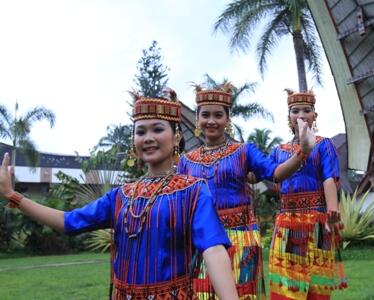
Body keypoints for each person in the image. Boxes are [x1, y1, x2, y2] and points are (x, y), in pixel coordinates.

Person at [0, 90, 239, 300]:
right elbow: (69, 221)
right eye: (140, 131)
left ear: (176, 137)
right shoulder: (121, 196)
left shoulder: (194, 191)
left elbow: (213, 249)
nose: (148, 138)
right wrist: (14, 196)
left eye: (158, 129)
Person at [178, 83, 315, 299]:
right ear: (197, 119)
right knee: (202, 295)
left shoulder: (244, 150)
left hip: (240, 239)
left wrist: (303, 152)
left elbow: (275, 173)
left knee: (241, 295)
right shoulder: (186, 161)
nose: (211, 121)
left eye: (218, 115)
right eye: (205, 115)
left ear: (227, 119)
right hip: (202, 241)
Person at [268, 90, 347, 300]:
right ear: (289, 117)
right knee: (287, 285)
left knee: (317, 286)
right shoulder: (279, 151)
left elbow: (329, 178)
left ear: (315, 115)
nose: (301, 114)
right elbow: (267, 174)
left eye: (307, 110)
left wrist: (332, 210)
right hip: (287, 223)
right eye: (295, 111)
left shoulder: (324, 144)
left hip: (317, 222)